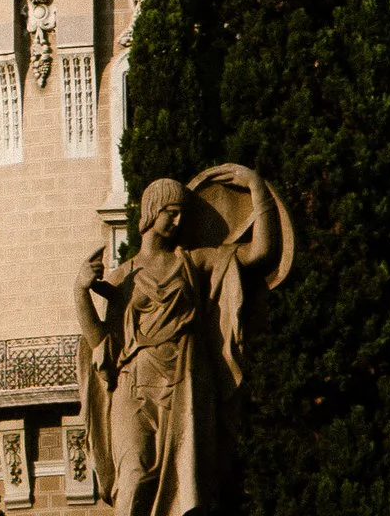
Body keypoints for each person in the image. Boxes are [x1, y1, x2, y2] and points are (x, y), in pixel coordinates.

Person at [74, 165, 280, 516]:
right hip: (134, 385)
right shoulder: (124, 276)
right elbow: (100, 344)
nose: (178, 220)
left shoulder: (194, 263)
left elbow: (260, 253)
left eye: (182, 214)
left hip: (185, 382)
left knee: (189, 493)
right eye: (171, 212)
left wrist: (256, 188)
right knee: (134, 478)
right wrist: (80, 291)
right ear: (152, 212)